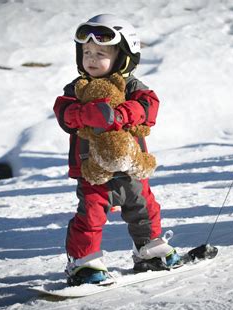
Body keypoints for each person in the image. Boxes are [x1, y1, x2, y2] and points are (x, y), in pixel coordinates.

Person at [53, 14, 181, 286]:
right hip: (93, 172)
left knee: (144, 207)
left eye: (101, 52)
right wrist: (85, 114)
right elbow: (63, 112)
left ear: (124, 56)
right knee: (90, 216)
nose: (91, 58)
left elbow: (149, 107)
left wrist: (122, 114)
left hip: (130, 167)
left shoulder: (133, 87)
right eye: (86, 52)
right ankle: (84, 262)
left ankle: (149, 249)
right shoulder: (77, 89)